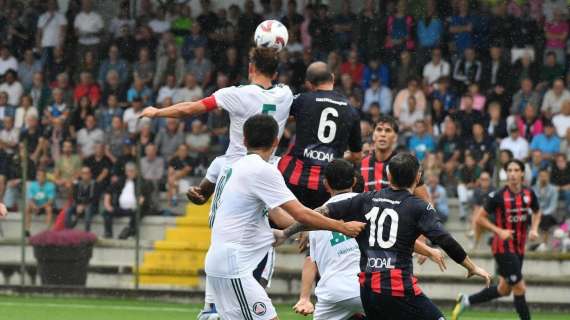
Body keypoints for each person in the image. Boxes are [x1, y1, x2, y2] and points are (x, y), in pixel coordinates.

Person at [278, 152, 491, 319]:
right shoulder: (418, 207)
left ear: (389, 176)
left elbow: (320, 213)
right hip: (396, 287)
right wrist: (471, 267)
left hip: (368, 289)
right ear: (417, 177)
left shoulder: (368, 199)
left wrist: (286, 232)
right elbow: (445, 239)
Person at [205, 115, 365, 320]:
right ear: (276, 141)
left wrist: (306, 229)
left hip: (222, 260)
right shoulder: (262, 170)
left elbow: (282, 218)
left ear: (244, 140)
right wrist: (341, 227)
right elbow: (299, 213)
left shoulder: (232, 167)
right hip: (234, 264)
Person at [293, 159, 446, 320]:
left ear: (325, 184)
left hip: (331, 293)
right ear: (354, 181)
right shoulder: (370, 205)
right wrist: (429, 250)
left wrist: (304, 298)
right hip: (364, 288)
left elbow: (310, 260)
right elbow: (392, 237)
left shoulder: (317, 218)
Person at [452, 159, 542, 320]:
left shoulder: (529, 193)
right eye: (509, 170)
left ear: (522, 173)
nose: (512, 174)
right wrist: (499, 231)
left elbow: (537, 211)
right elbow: (479, 218)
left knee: (504, 289)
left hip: (519, 248)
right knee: (520, 288)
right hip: (502, 248)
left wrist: (534, 228)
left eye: (516, 170)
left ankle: (466, 300)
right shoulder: (498, 196)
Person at [278, 61, 362, 209]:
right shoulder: (351, 110)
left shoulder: (302, 100)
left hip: (295, 179)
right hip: (328, 185)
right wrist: (336, 157)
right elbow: (357, 156)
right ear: (333, 78)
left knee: (288, 226)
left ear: (309, 84)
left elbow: (279, 117)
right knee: (319, 228)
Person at [359, 115, 431, 201]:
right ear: (373, 135)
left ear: (395, 137)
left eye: (388, 130)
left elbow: (427, 203)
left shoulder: (406, 165)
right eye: (379, 130)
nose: (383, 134)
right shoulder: (360, 164)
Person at [25, 168, 56, 237]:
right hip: (35, 205)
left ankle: (47, 230)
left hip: (44, 205)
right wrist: (35, 207)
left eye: (42, 176)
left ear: (45, 177)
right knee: (27, 208)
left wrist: (40, 207)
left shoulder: (50, 185)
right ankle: (27, 230)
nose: (40, 177)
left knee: (49, 209)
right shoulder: (32, 185)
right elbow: (30, 199)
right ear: (36, 176)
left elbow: (50, 201)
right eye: (38, 176)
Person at [533, 169, 559, 251]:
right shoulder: (533, 189)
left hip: (548, 214)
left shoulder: (553, 189)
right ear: (538, 177)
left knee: (546, 219)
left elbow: (553, 206)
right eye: (541, 176)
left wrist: (542, 213)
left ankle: (544, 243)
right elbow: (530, 205)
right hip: (535, 213)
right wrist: (535, 213)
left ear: (548, 177)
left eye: (545, 176)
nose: (543, 178)